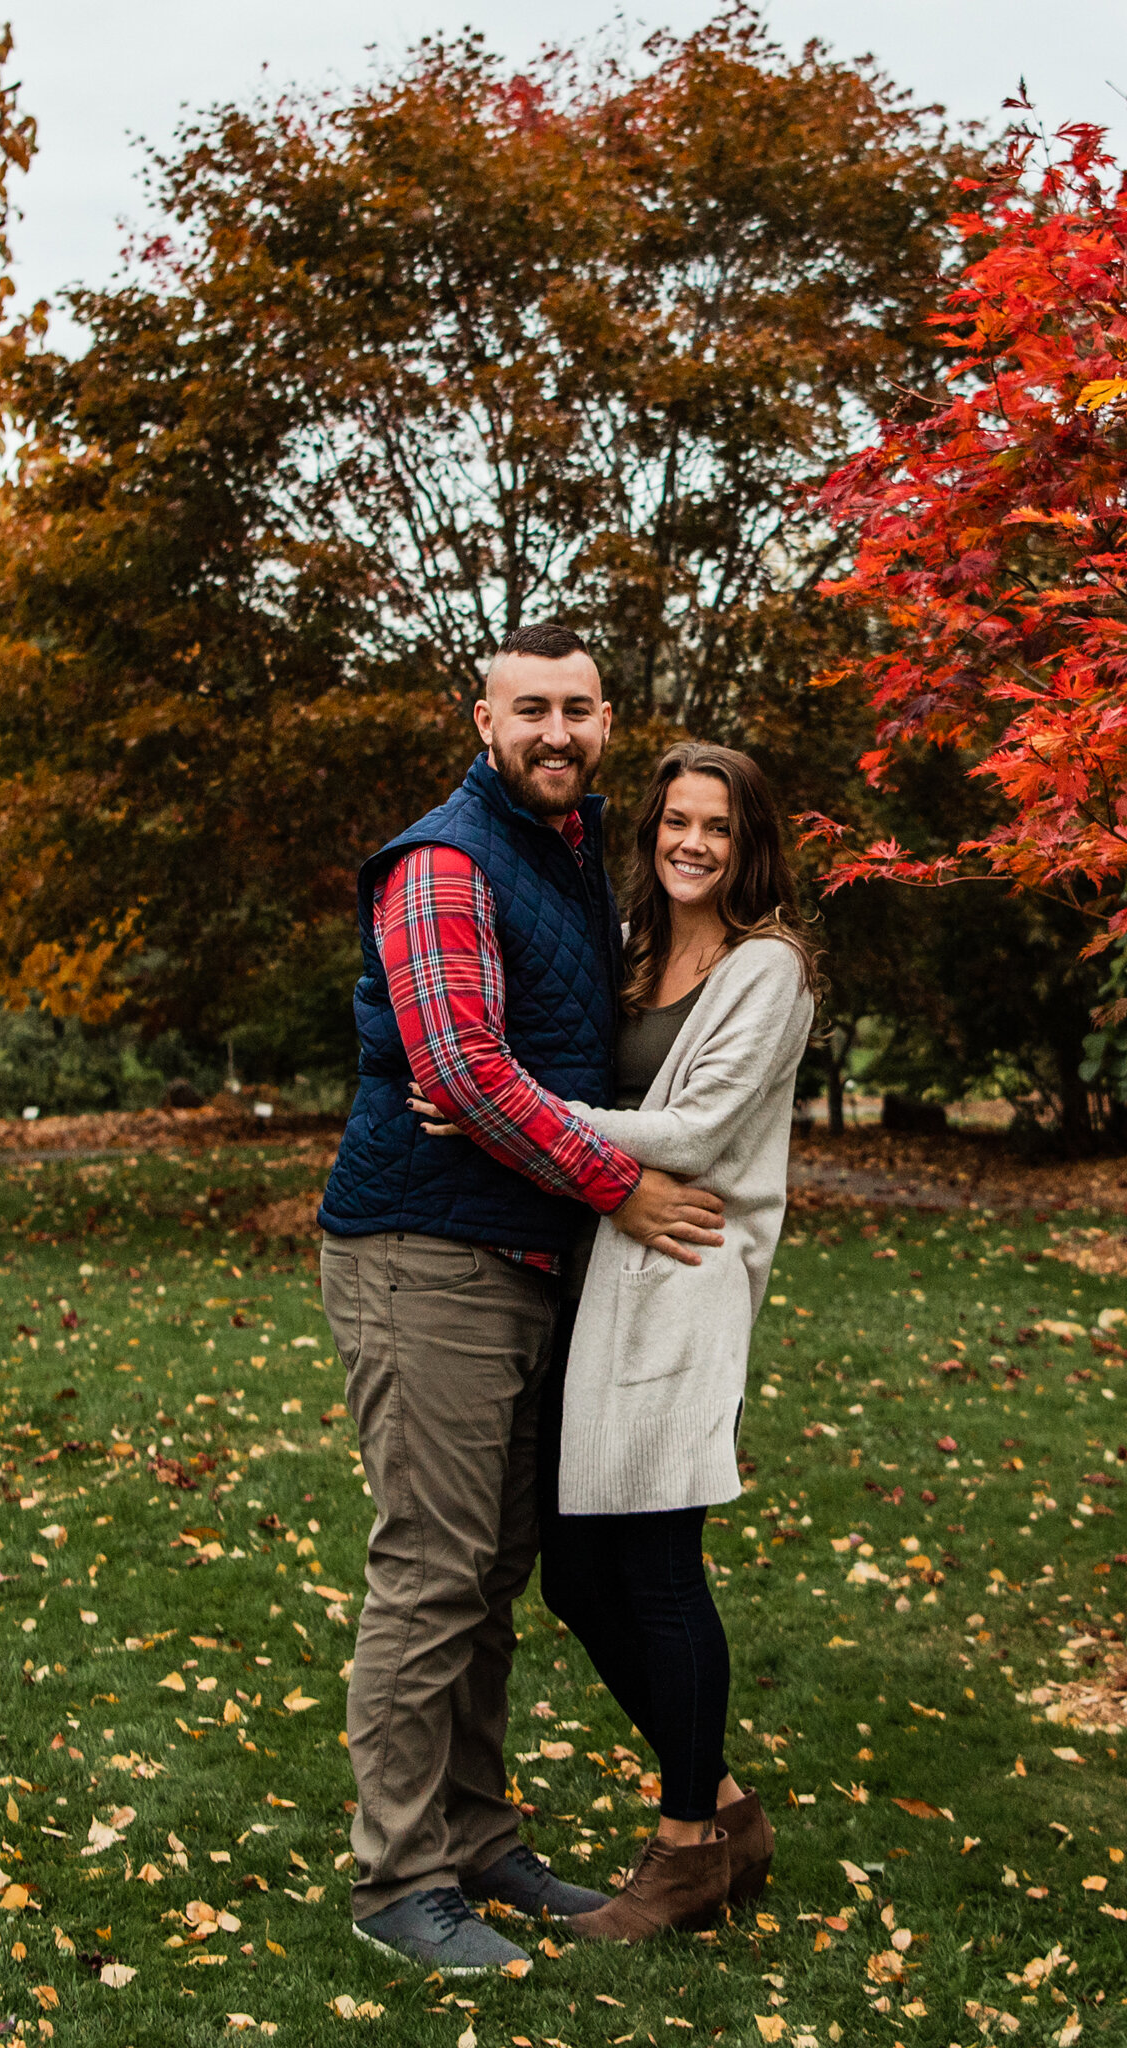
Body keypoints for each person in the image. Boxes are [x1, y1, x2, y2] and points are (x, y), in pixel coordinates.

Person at [316, 624, 727, 1975]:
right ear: (481, 719)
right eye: (529, 710)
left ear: (605, 721)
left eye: (578, 710)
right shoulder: (444, 859)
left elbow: (516, 1064)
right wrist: (615, 1185)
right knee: (431, 1571)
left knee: (489, 1571)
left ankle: (477, 1834)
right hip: (423, 1252)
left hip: (514, 1257)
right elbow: (461, 1063)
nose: (556, 733)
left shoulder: (560, 859)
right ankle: (396, 1881)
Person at [414, 741, 818, 1941]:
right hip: (605, 1272)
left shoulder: (769, 969)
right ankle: (728, 1807)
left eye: (718, 827)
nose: (691, 843)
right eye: (674, 822)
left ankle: (688, 1842)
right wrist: (542, 1120)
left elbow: (691, 1130)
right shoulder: (638, 953)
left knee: (654, 1567)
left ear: (751, 846)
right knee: (580, 1574)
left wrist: (510, 1116)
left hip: (685, 1272)